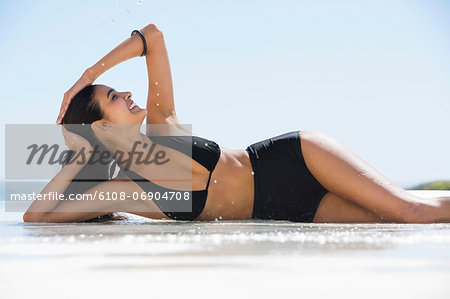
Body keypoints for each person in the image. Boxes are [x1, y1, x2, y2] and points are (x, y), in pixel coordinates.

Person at [23, 23, 449, 224]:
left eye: (118, 89)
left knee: (410, 210)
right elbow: (36, 219)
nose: (128, 94)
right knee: (391, 223)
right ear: (99, 128)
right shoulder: (122, 190)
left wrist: (85, 78)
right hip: (279, 209)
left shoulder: (162, 122)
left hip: (294, 159)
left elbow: (152, 36)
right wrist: (78, 155)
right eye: (114, 97)